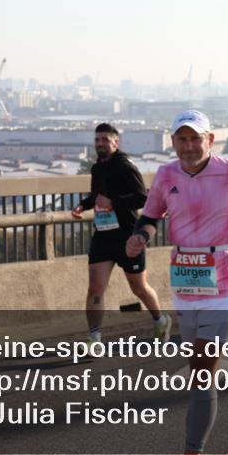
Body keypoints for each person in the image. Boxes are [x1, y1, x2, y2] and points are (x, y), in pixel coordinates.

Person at [125, 110, 228, 455]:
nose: (189, 146)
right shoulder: (166, 174)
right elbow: (151, 216)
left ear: (210, 140)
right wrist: (139, 237)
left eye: (196, 138)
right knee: (205, 363)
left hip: (225, 282)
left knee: (200, 373)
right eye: (181, 139)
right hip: (186, 281)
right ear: (173, 142)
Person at [72, 123, 170, 344]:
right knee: (95, 288)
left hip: (128, 236)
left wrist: (113, 203)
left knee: (139, 288)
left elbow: (142, 198)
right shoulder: (97, 168)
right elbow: (97, 196)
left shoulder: (125, 165)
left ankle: (160, 320)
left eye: (105, 140)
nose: (100, 144)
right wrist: (83, 205)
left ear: (116, 142)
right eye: (97, 140)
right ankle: (94, 339)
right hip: (103, 235)